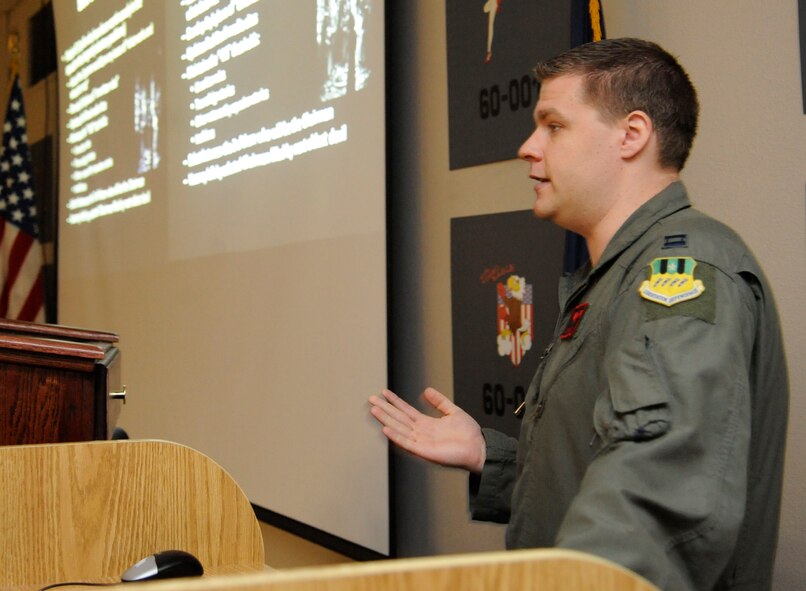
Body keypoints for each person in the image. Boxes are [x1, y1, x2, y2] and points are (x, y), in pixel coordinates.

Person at [369, 38, 789, 591]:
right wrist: (488, 457)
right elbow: (601, 470)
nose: (527, 146)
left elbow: (660, 496)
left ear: (632, 135)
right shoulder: (620, 270)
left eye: (554, 126)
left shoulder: (680, 276)